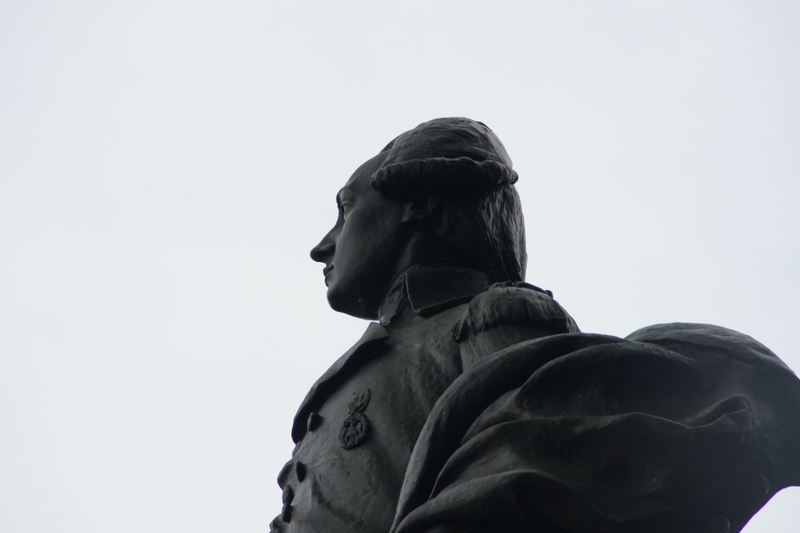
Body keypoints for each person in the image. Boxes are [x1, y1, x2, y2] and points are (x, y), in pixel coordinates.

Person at [271, 118, 800, 533]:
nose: (323, 244)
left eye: (346, 210)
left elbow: (539, 451)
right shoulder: (373, 357)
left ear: (419, 203)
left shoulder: (491, 316)